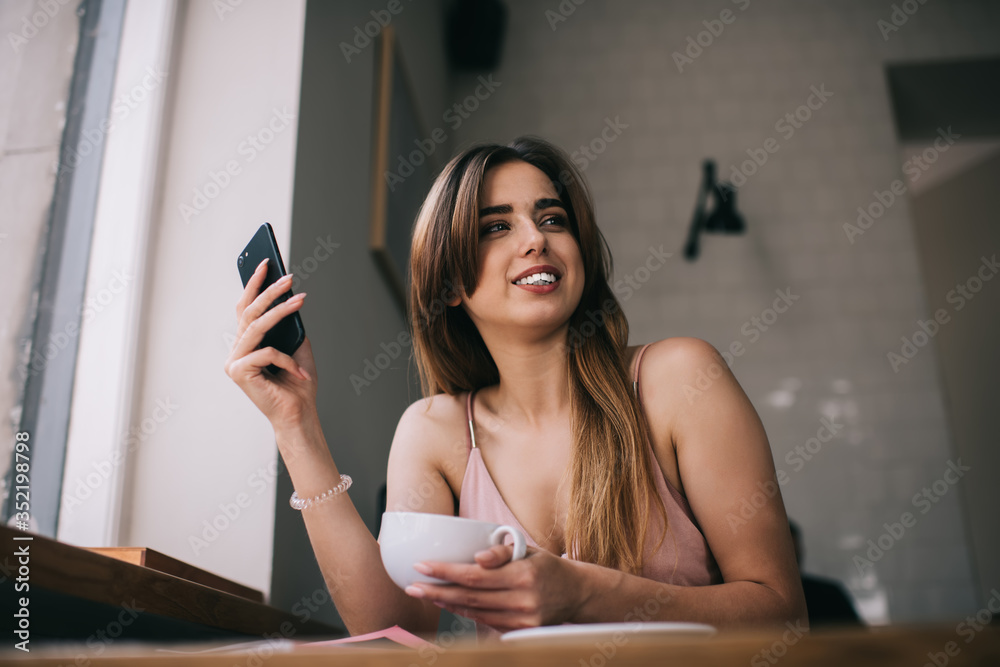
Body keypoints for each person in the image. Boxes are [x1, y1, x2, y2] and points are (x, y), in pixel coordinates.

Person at [225, 136, 807, 640]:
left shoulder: (679, 379)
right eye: (496, 227)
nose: (536, 239)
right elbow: (390, 633)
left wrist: (585, 594)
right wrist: (294, 425)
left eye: (552, 219)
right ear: (451, 280)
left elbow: (783, 618)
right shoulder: (434, 432)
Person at [788, 521, 864, 628]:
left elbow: (860, 639)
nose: (791, 562)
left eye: (795, 554)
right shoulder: (830, 594)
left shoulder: (831, 595)